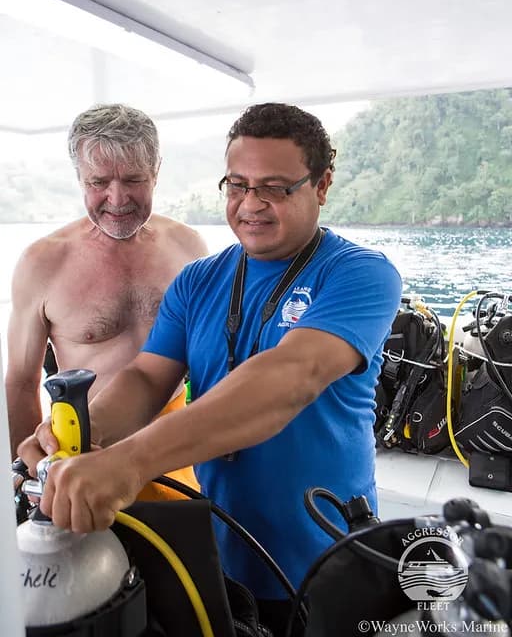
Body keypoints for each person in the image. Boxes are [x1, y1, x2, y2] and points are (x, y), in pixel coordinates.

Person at [20, 102, 402, 635]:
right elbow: (145, 379)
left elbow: (290, 377)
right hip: (216, 557)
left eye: (274, 188)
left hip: (326, 556)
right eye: (237, 185)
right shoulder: (197, 280)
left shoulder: (360, 274)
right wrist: (83, 433)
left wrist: (128, 464)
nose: (251, 204)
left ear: (321, 185)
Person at [8, 103, 207, 495]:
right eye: (98, 182)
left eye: (133, 179)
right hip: (84, 449)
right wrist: (28, 478)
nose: (117, 199)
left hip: (176, 447)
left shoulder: (188, 247)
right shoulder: (42, 263)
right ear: (79, 177)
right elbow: (20, 381)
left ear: (156, 171)